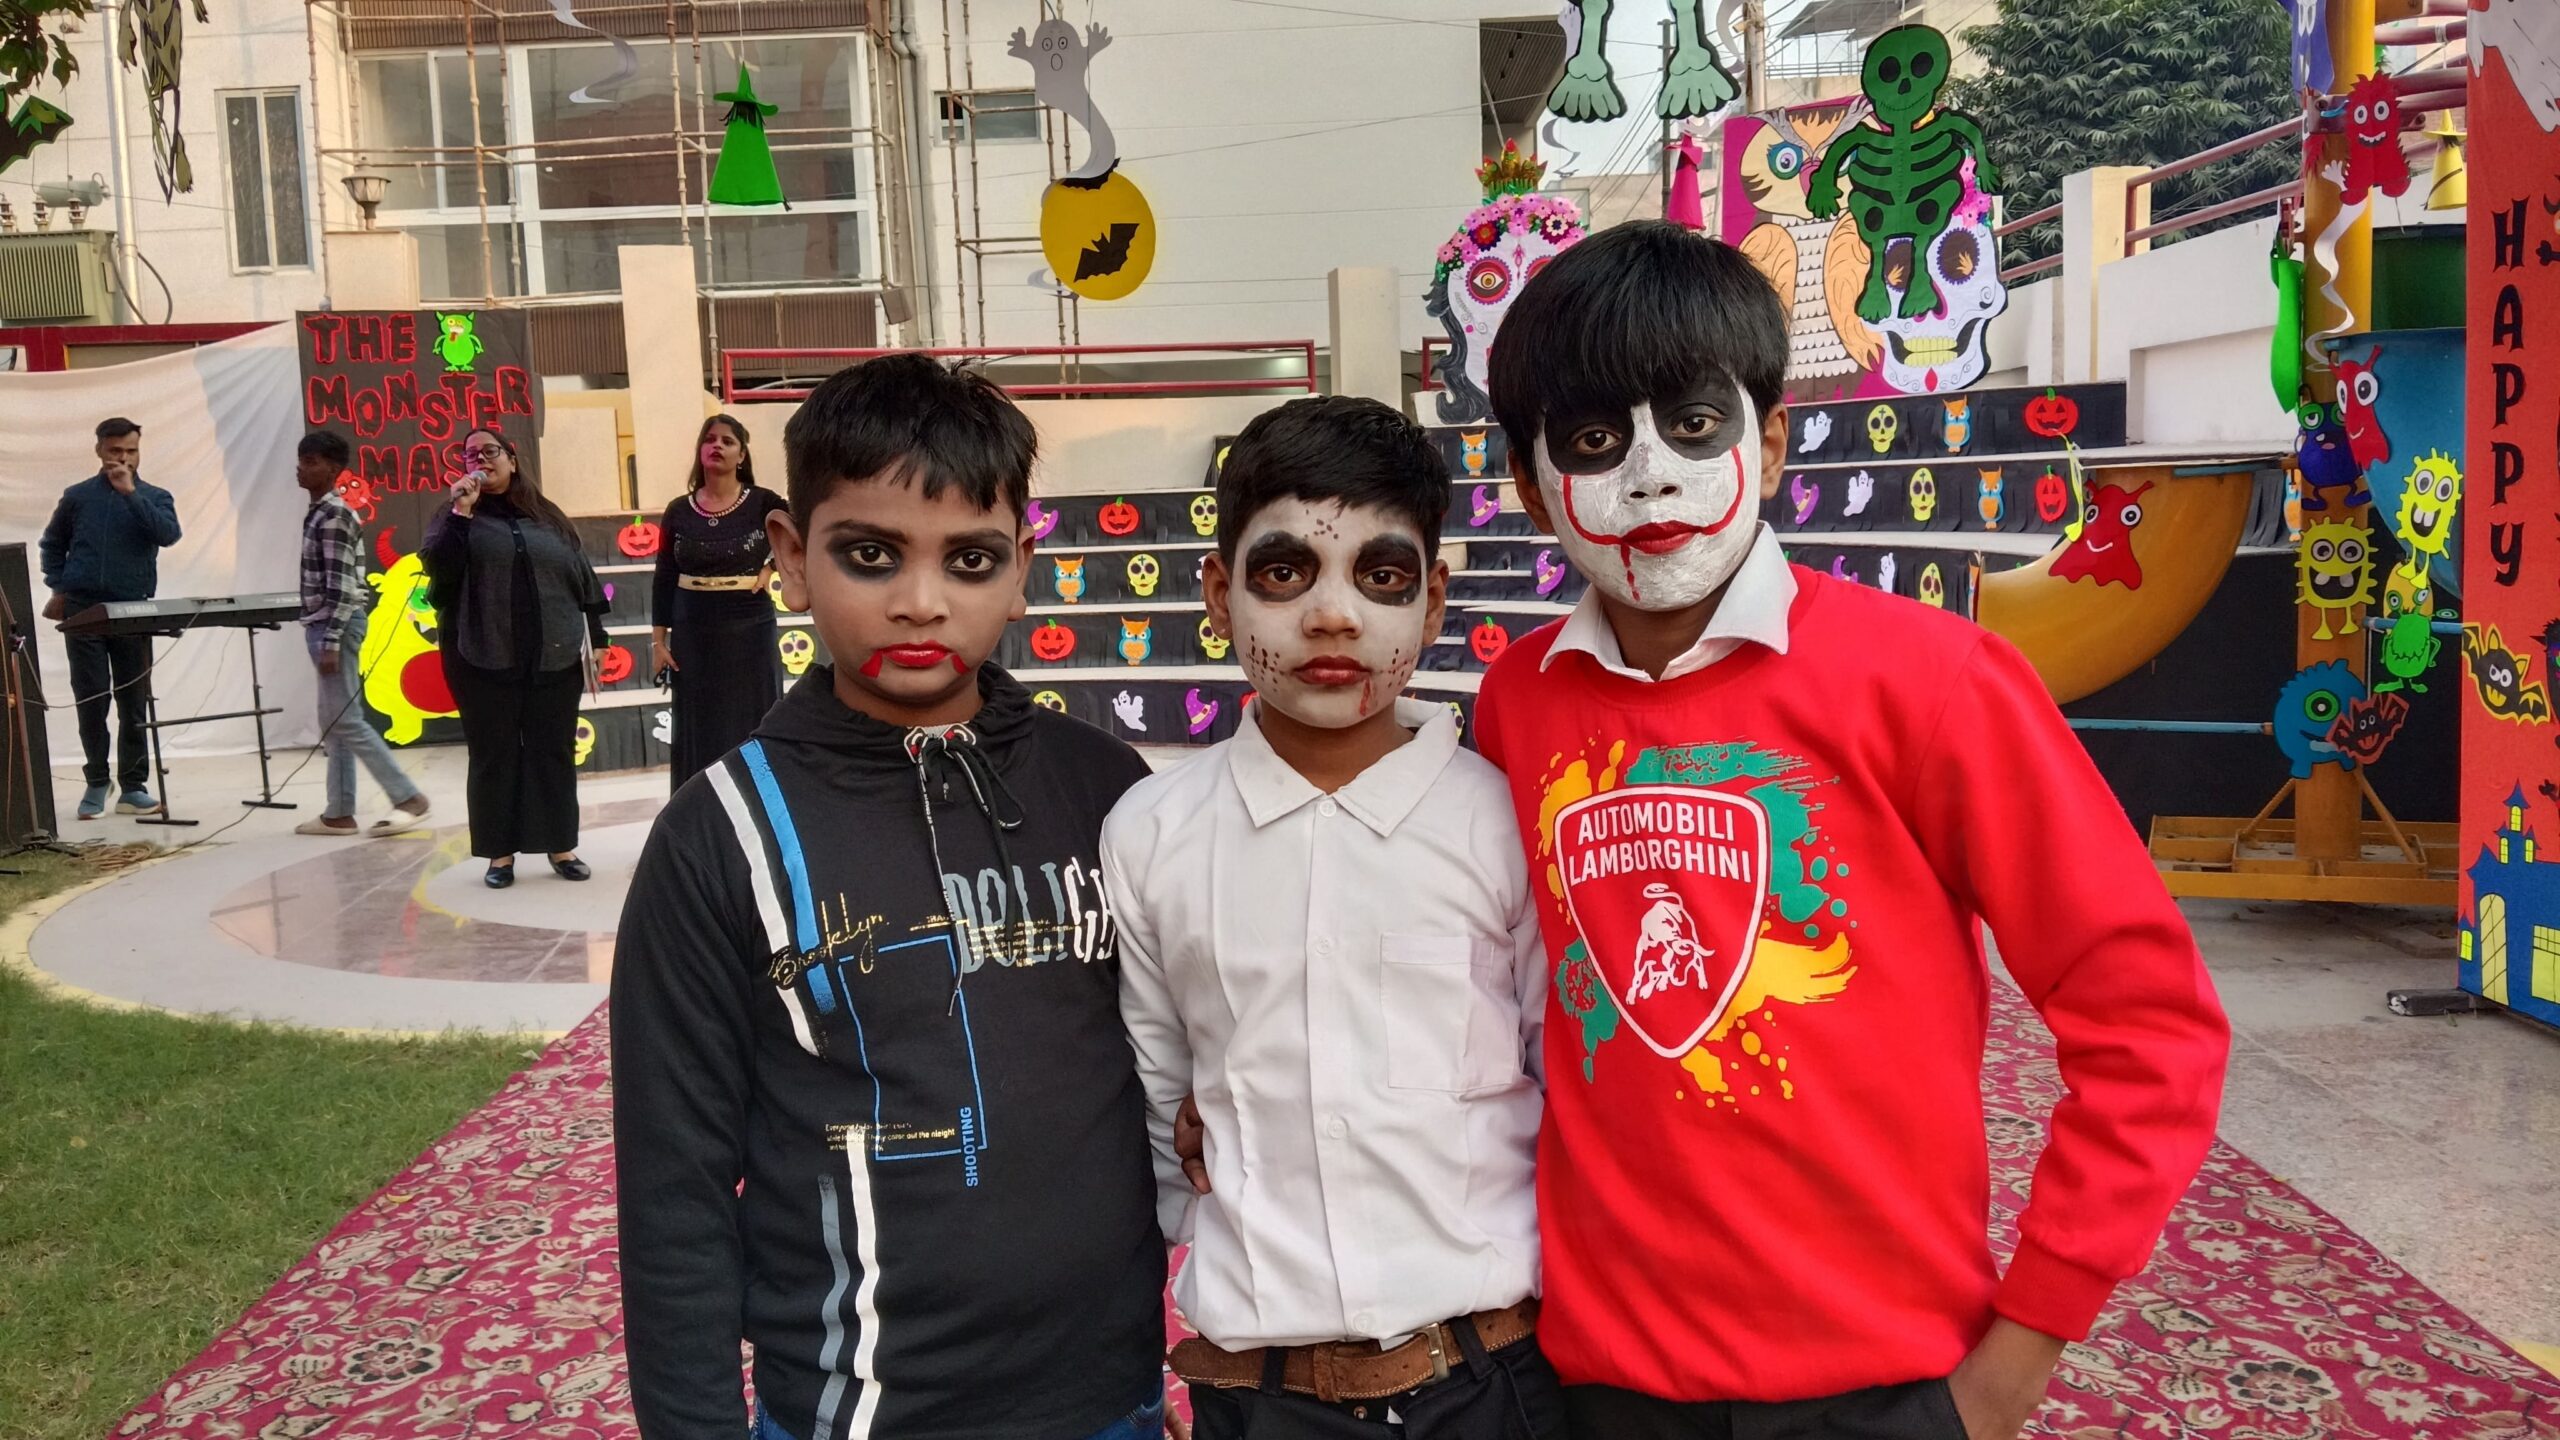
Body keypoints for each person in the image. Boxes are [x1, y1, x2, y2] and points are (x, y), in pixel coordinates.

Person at [1465, 223, 2231, 1440]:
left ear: (1770, 440)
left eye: (1693, 424)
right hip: (1601, 1383)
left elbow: (2149, 1021)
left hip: (1887, 1387)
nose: (1649, 477)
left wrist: (2020, 1353)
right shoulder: (1518, 705)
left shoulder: (1934, 681)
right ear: (1526, 479)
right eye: (1594, 442)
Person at [610, 354, 1169, 1440]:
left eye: (970, 559)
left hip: (1111, 1400)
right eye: (870, 555)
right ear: (790, 557)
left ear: (1022, 569)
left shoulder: (1107, 791)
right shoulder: (717, 837)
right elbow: (675, 1191)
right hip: (856, 1413)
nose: (922, 601)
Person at [1106, 396, 1561, 1440]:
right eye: (1284, 572)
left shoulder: (1506, 822)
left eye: (1381, 577)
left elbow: (1563, 1081)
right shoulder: (1151, 835)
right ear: (1217, 592)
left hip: (1492, 1383)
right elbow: (1163, 1113)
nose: (1333, 616)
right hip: (1258, 1398)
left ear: (1434, 601)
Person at [422, 427, 607, 889]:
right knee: (494, 754)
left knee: (553, 751)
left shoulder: (548, 516)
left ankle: (560, 846)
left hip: (554, 655)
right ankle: (499, 855)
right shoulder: (455, 514)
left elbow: (582, 578)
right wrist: (461, 513)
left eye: (490, 450)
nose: (480, 459)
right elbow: (440, 573)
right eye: (470, 455)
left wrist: (599, 639)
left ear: (512, 459)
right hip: (481, 657)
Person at [290, 431, 431, 838]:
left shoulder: (334, 515)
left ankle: (408, 798)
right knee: (334, 721)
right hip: (326, 623)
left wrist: (331, 640)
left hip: (334, 625)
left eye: (311, 461)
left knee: (346, 721)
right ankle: (339, 813)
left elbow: (340, 588)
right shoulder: (321, 512)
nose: (301, 468)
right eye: (301, 460)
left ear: (333, 469)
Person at [40, 416, 179, 819]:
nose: (123, 458)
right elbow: (52, 544)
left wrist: (131, 494)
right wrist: (59, 585)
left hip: (133, 610)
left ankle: (133, 786)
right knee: (91, 699)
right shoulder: (78, 497)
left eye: (131, 451)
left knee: (133, 701)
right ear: (99, 449)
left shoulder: (155, 496)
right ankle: (98, 781)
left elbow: (168, 534)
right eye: (115, 450)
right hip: (84, 610)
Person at [650, 412, 789, 790]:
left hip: (749, 627)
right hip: (693, 630)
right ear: (700, 450)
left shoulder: (764, 502)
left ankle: (757, 802)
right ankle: (699, 809)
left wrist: (771, 567)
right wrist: (659, 641)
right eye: (710, 439)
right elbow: (664, 574)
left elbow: (803, 532)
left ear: (742, 455)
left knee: (750, 717)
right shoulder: (678, 510)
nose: (717, 446)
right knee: (699, 722)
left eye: (727, 441)